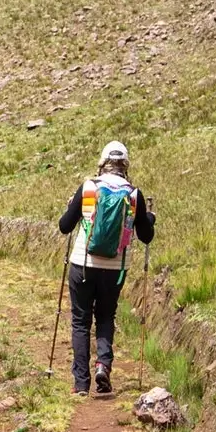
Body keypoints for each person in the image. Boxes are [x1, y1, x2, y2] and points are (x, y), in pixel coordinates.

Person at [57, 141, 155, 396]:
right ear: (125, 165)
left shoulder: (89, 187)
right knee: (105, 316)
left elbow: (65, 226)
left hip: (83, 265)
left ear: (102, 163)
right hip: (115, 269)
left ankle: (80, 383)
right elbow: (146, 236)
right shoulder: (134, 194)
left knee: (80, 321)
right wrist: (149, 218)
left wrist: (72, 206)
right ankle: (103, 365)